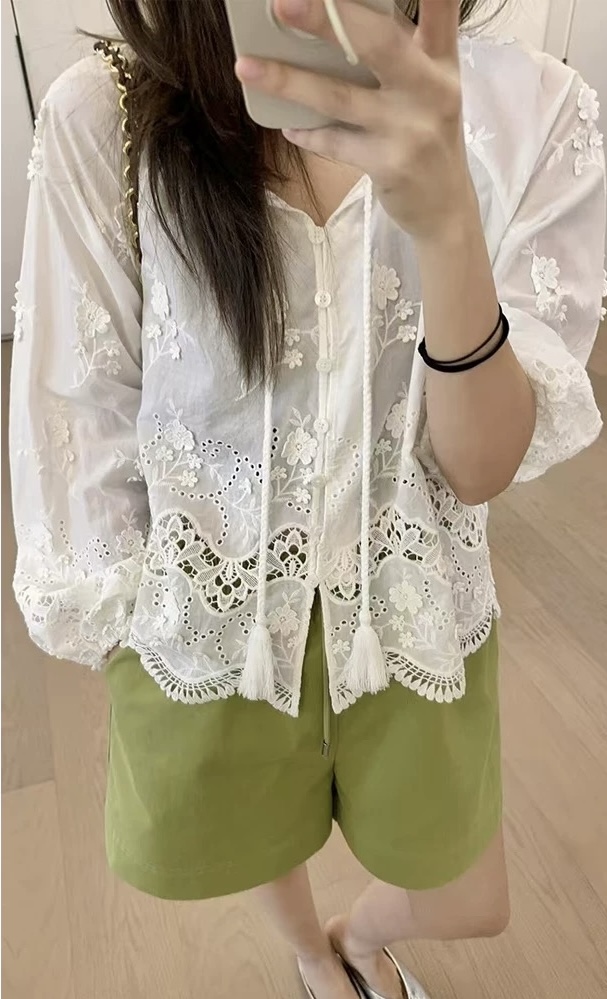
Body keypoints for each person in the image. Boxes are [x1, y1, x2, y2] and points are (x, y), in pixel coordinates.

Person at [9, 1, 606, 997]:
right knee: (255, 838)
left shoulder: (534, 112)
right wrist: (124, 616)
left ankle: (356, 936)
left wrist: (446, 220)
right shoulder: (105, 117)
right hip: (211, 611)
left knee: (472, 896)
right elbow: (82, 417)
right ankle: (313, 957)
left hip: (414, 608)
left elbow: (478, 468)